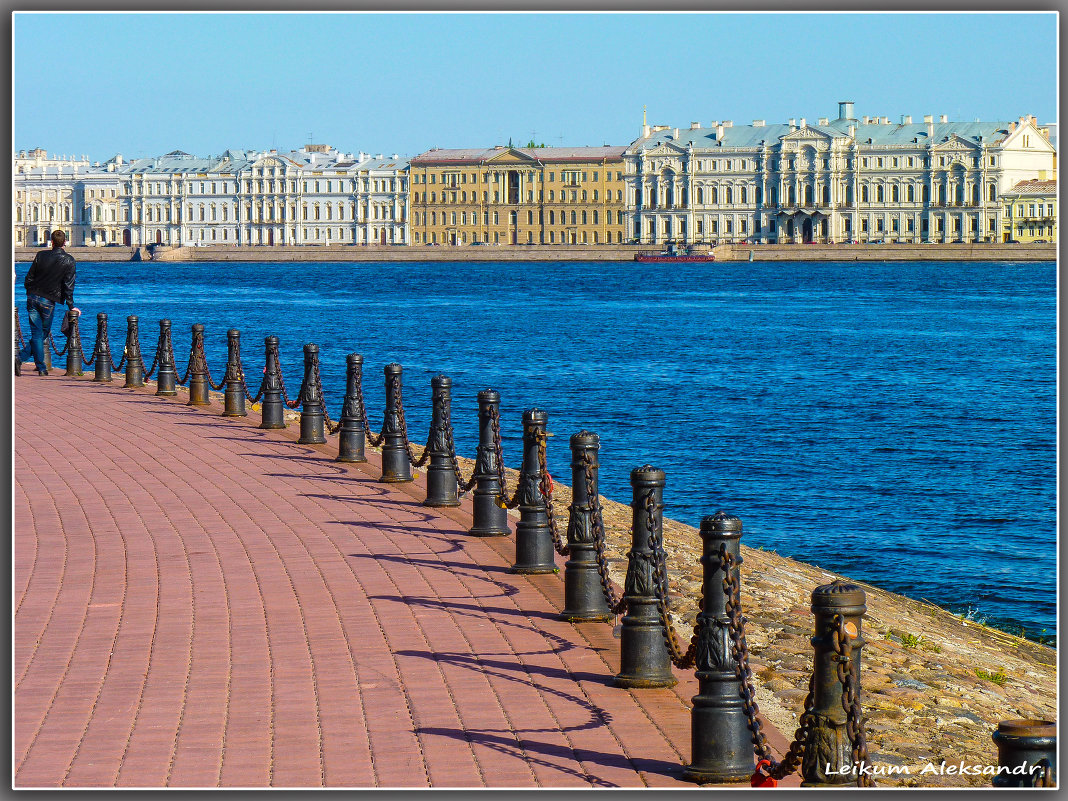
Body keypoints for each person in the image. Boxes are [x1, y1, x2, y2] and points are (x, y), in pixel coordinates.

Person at [16, 230, 76, 377]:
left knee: (38, 333)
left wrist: (30, 292)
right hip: (48, 301)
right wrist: (71, 306)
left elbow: (29, 277)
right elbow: (68, 286)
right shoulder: (69, 260)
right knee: (41, 333)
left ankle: (24, 361)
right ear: (65, 243)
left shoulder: (41, 255)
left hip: (32, 298)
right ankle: (35, 365)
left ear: (52, 242)